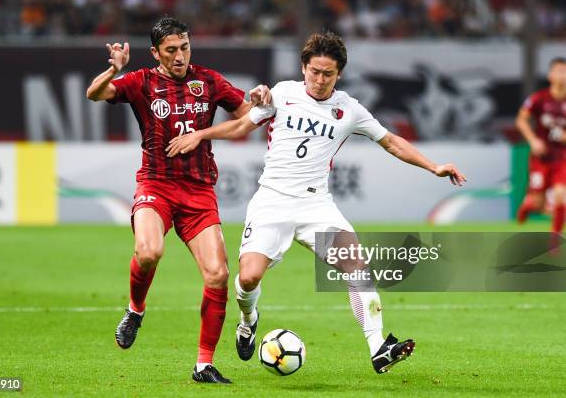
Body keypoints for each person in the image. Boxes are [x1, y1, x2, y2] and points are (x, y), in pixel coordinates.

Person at [166, 32, 467, 374]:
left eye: (328, 74)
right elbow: (240, 126)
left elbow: (392, 142)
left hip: (316, 205)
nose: (320, 80)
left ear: (339, 74)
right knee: (248, 278)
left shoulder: (349, 109)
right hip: (273, 201)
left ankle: (378, 347)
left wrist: (434, 166)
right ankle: (249, 319)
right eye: (314, 72)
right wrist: (201, 134)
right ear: (303, 68)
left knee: (357, 266)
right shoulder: (282, 93)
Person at [85, 16, 269, 384]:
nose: (180, 55)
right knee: (149, 252)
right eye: (171, 50)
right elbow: (95, 93)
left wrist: (261, 101)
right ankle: (136, 309)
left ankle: (204, 365)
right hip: (157, 184)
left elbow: (249, 117)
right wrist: (113, 70)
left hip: (199, 191)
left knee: (218, 275)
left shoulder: (209, 81)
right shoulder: (141, 82)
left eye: (184, 47)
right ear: (156, 52)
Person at [516, 57, 566, 237]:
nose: (562, 75)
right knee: (537, 203)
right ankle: (527, 205)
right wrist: (533, 140)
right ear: (550, 75)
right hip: (541, 157)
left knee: (562, 195)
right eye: (559, 71)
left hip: (562, 156)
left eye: (565, 72)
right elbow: (521, 120)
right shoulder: (539, 98)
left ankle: (555, 239)